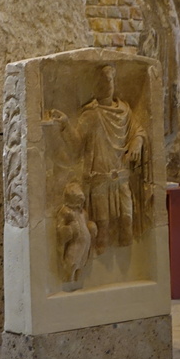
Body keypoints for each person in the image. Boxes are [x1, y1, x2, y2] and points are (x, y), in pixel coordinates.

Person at [49, 64, 148, 255]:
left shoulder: (124, 111)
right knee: (102, 232)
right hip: (100, 180)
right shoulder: (91, 114)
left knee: (127, 226)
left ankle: (133, 267)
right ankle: (94, 265)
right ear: (96, 86)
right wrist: (65, 124)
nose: (108, 84)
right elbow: (76, 144)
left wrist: (137, 142)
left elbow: (139, 130)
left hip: (122, 177)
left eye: (110, 79)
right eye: (103, 80)